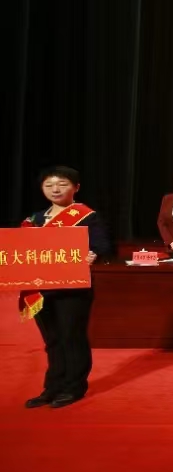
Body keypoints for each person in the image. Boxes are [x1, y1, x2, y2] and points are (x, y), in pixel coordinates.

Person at [19, 166, 111, 409]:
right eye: (49, 185)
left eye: (62, 184)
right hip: (40, 289)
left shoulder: (87, 216)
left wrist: (93, 254)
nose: (55, 189)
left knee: (72, 337)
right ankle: (52, 388)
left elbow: (102, 245)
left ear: (76, 187)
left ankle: (73, 387)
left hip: (72, 289)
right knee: (52, 340)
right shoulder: (34, 220)